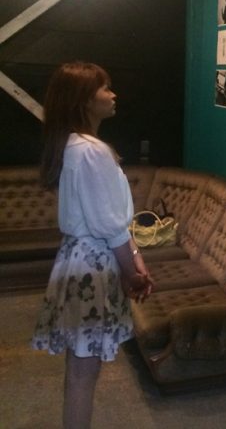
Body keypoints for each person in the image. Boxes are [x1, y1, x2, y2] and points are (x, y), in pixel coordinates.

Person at [31, 61, 154, 429]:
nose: (113, 94)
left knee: (79, 370)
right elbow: (110, 227)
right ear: (84, 99)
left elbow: (110, 224)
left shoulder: (70, 146)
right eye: (105, 88)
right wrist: (133, 273)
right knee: (84, 374)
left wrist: (135, 257)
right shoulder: (92, 150)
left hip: (75, 260)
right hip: (94, 265)